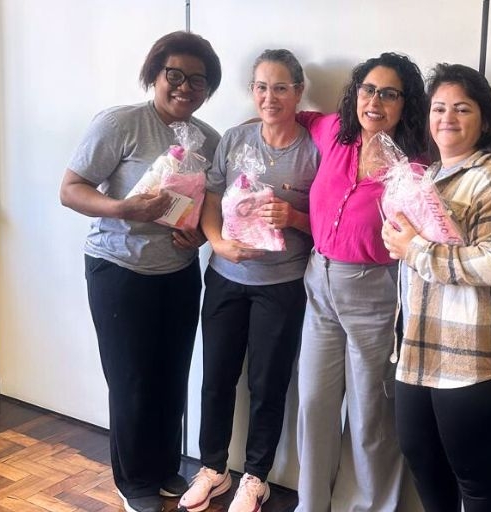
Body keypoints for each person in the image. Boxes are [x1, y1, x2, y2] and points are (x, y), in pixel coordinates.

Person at [59, 31, 222, 512]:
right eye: (175, 75)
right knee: (131, 380)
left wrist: (200, 235)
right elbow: (71, 189)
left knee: (171, 374)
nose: (185, 87)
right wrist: (123, 208)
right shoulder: (120, 123)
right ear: (154, 74)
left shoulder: (209, 140)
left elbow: (209, 211)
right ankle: (133, 482)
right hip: (119, 269)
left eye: (198, 80)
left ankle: (164, 468)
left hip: (178, 272)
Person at [381, 63, 491, 512]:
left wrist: (415, 250)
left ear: (484, 120)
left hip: (477, 357)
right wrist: (398, 240)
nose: (447, 117)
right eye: (439, 108)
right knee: (425, 466)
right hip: (420, 348)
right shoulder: (424, 178)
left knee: (475, 479)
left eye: (462, 109)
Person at [176, 49, 319, 512]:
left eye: (280, 88)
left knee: (267, 384)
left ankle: (256, 477)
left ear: (298, 92)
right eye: (261, 87)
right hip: (224, 277)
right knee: (216, 377)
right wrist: (218, 243)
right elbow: (211, 198)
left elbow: (328, 223)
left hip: (282, 285)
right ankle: (213, 469)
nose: (269, 97)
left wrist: (293, 217)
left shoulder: (313, 151)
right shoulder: (236, 138)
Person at [294, 52, 427, 512]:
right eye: (368, 90)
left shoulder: (414, 163)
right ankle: (310, 505)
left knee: (372, 414)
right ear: (355, 94)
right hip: (319, 282)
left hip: (375, 292)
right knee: (314, 403)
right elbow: (292, 114)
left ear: (406, 105)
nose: (375, 101)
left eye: (389, 94)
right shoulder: (334, 131)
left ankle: (371, 506)